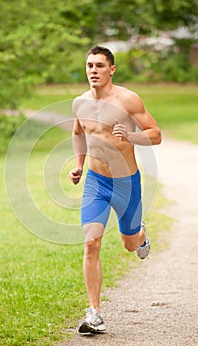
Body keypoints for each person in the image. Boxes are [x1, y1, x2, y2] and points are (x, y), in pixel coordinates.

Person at [69, 45, 161, 334]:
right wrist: (79, 165)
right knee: (90, 243)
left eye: (99, 65)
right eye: (89, 66)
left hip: (126, 181)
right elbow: (78, 133)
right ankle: (95, 313)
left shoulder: (128, 100)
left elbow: (156, 135)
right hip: (96, 182)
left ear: (112, 69)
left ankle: (140, 234)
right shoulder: (80, 103)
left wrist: (131, 135)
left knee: (129, 243)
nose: (93, 71)